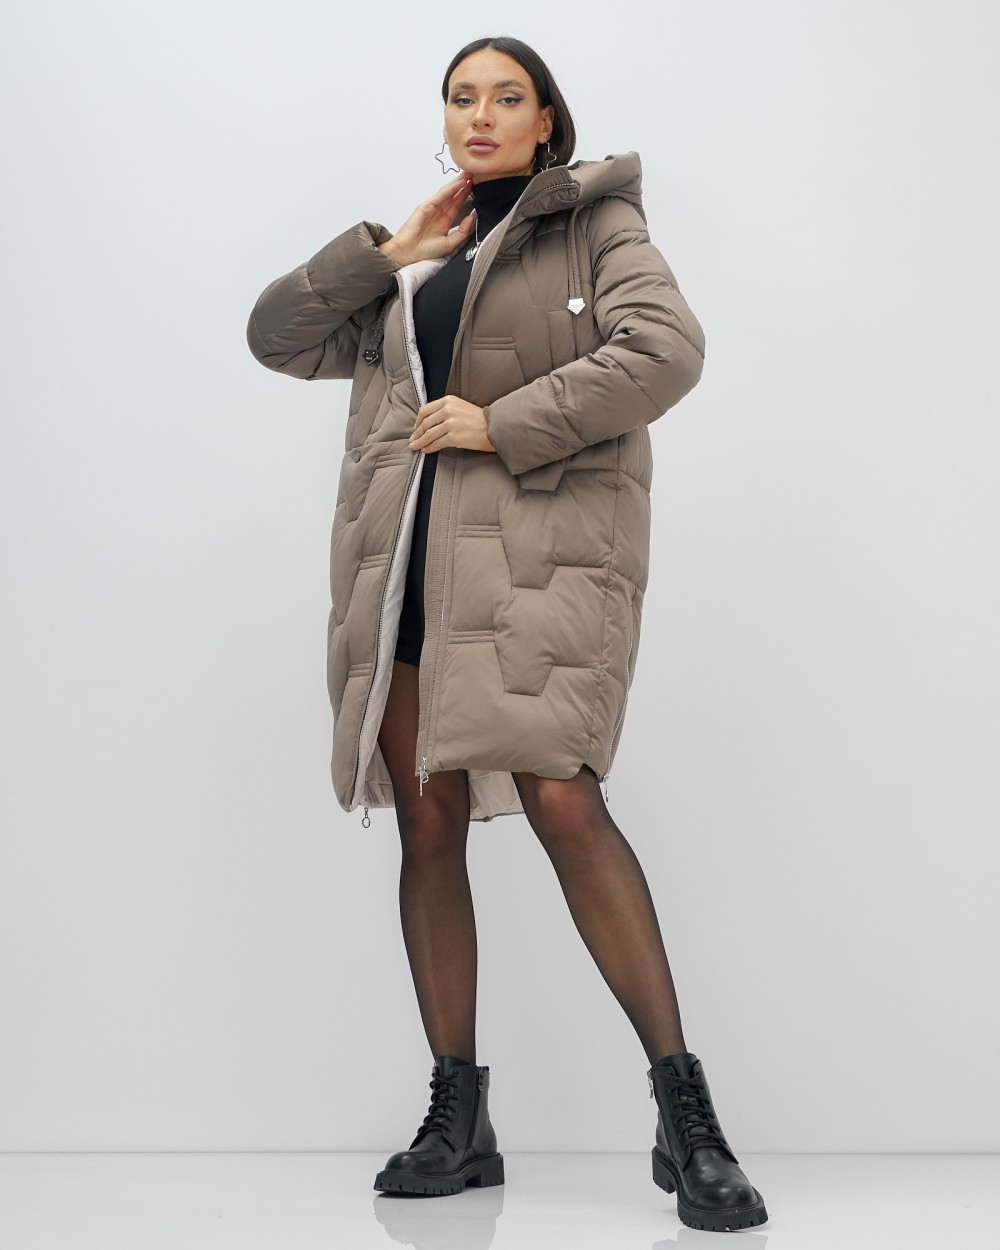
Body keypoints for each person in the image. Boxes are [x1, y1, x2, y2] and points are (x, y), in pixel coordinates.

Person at [247, 34, 768, 1234]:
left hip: (535, 566)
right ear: (445, 121)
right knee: (426, 821)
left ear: (546, 121)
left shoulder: (596, 224)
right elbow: (276, 339)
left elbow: (666, 351)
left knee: (564, 799)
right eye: (461, 97)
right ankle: (459, 1117)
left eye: (506, 97)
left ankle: (686, 1116)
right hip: (408, 571)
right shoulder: (420, 260)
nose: (480, 115)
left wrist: (501, 422)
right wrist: (388, 254)